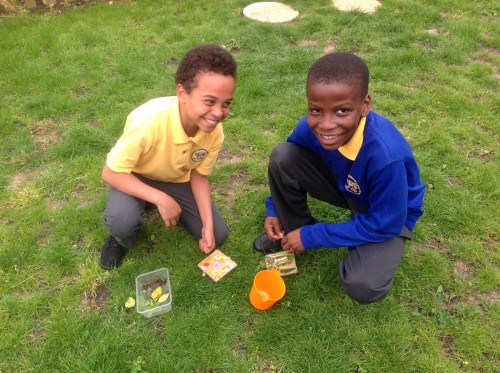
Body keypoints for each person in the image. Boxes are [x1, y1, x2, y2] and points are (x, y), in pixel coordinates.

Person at [253, 52, 425, 304]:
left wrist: (315, 235)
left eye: (342, 110)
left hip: (388, 211)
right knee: (282, 155)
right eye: (316, 110)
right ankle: (293, 228)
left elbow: (384, 223)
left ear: (365, 105)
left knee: (363, 285)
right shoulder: (309, 129)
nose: (326, 124)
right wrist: (274, 208)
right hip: (347, 187)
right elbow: (287, 165)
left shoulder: (386, 157)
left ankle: (309, 235)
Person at [99, 44, 237, 270]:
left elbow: (199, 176)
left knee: (219, 235)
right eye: (210, 101)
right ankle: (120, 238)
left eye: (227, 103)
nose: (219, 112)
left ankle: (159, 204)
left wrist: (208, 225)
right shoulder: (149, 121)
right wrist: (160, 198)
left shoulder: (214, 132)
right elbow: (110, 172)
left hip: (174, 181)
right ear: (182, 93)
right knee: (122, 221)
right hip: (135, 174)